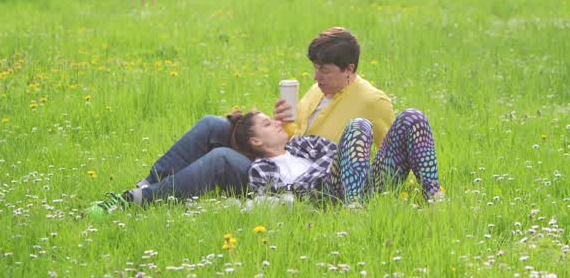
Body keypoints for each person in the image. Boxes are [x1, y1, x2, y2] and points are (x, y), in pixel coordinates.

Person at [89, 27, 393, 215]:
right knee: (212, 125)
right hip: (282, 156)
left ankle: (138, 200)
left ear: (348, 69)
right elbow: (295, 137)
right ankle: (149, 183)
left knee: (221, 158)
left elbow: (388, 157)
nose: (316, 77)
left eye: (323, 70)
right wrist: (284, 122)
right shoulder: (318, 89)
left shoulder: (372, 102)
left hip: (310, 181)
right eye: (315, 68)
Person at [228, 108, 444, 204]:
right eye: (267, 124)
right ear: (256, 141)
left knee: (412, 118)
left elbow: (344, 155)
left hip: (372, 182)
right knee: (358, 126)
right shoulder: (261, 169)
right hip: (331, 194)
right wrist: (322, 172)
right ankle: (354, 207)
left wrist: (315, 174)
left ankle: (434, 196)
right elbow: (285, 199)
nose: (277, 123)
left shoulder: (304, 144)